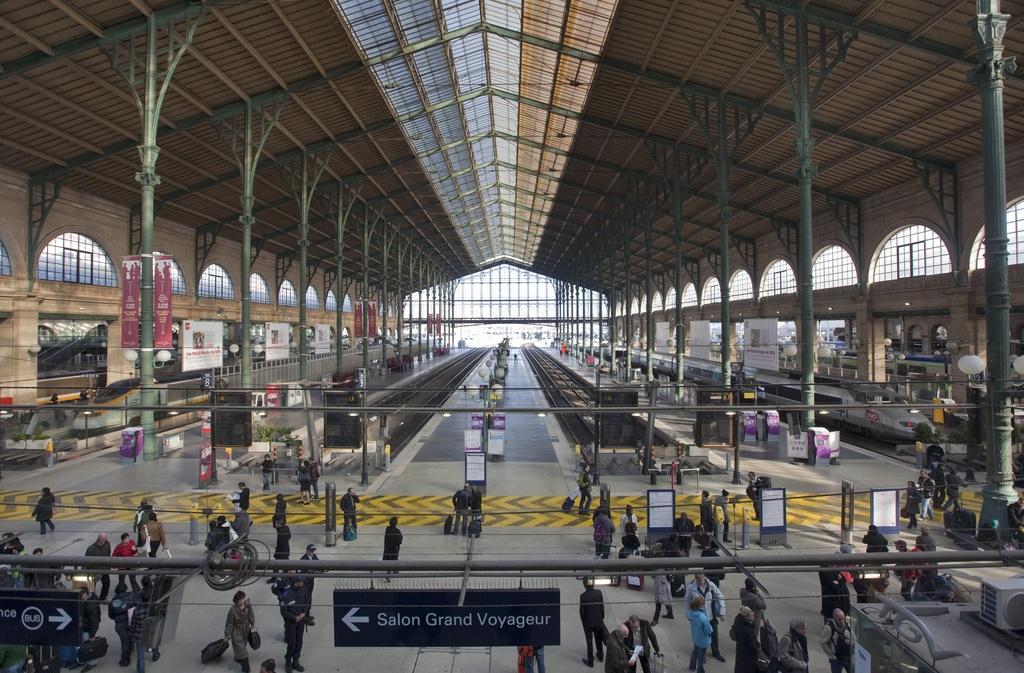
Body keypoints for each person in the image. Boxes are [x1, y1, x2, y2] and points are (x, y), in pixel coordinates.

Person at [685, 574, 726, 663]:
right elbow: (687, 602)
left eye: (702, 580)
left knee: (714, 635)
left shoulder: (711, 585)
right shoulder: (691, 588)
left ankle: (715, 652)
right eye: (699, 580)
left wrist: (722, 612)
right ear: (695, 579)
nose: (701, 582)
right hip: (699, 617)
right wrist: (689, 616)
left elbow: (720, 597)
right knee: (699, 636)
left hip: (711, 616)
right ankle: (701, 654)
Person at [129, 582, 160, 673]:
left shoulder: (137, 610)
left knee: (140, 654)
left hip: (139, 634)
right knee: (154, 643)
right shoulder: (152, 609)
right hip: (150, 631)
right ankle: (156, 654)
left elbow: (133, 623)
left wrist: (131, 634)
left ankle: (141, 670)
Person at [280, 577, 309, 673]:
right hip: (291, 623)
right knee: (292, 643)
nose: (303, 583)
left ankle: (295, 661)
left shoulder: (304, 589)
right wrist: (294, 618)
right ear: (296, 583)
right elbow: (283, 611)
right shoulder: (286, 594)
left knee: (299, 642)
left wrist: (304, 613)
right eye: (301, 582)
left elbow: (307, 602)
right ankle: (288, 662)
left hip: (301, 621)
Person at [225, 590, 256, 673]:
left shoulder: (248, 605)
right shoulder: (232, 610)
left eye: (242, 599)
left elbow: (251, 615)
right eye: (239, 600)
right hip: (236, 632)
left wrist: (252, 624)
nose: (242, 601)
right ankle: (246, 669)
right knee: (243, 652)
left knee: (243, 646)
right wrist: (227, 635)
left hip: (245, 630)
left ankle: (238, 658)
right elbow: (229, 623)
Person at [579, 579, 606, 668]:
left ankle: (590, 661)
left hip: (588, 623)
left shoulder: (583, 596)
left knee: (589, 641)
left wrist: (584, 622)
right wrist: (602, 617)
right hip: (598, 620)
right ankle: (601, 656)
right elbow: (602, 606)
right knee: (598, 639)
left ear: (584, 585)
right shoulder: (599, 593)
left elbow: (582, 612)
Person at [109, 582, 134, 667]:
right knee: (130, 638)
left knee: (124, 641)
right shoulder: (131, 597)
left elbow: (111, 616)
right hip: (131, 621)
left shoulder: (112, 601)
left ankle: (125, 659)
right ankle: (130, 649)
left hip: (119, 625)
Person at [820, 608, 852, 673]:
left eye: (843, 618)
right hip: (836, 658)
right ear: (834, 617)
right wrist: (831, 655)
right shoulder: (829, 628)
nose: (842, 621)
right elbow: (822, 642)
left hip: (847, 656)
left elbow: (853, 638)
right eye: (839, 619)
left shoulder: (847, 625)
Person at [732, 605, 760, 673]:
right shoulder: (749, 631)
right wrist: (758, 646)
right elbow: (753, 647)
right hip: (748, 657)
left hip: (740, 652)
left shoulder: (738, 622)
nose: (753, 618)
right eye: (752, 616)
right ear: (747, 617)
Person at [687, 596, 712, 673]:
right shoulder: (703, 618)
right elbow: (708, 630)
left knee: (695, 652)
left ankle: (692, 666)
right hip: (703, 640)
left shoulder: (691, 613)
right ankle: (700, 670)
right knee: (701, 656)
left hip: (696, 637)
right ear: (701, 605)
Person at [85, 533, 112, 600]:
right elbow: (86, 561)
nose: (104, 540)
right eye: (103, 538)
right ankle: (91, 598)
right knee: (92, 585)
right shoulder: (91, 549)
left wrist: (108, 566)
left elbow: (108, 554)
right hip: (94, 570)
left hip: (104, 569)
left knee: (106, 583)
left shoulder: (107, 545)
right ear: (99, 538)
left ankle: (103, 597)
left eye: (105, 538)